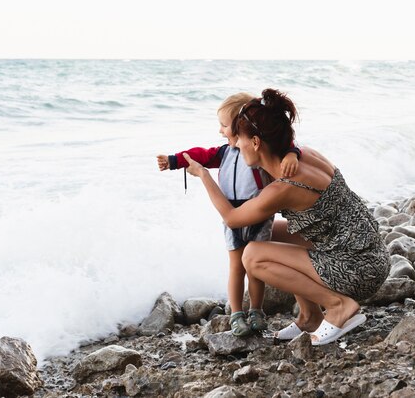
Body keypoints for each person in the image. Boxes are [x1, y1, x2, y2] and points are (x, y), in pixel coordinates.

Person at [182, 88, 390, 345]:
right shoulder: (305, 155)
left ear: (256, 142)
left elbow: (233, 219)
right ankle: (309, 316)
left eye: (240, 139)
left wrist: (204, 175)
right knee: (274, 232)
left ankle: (338, 306)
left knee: (252, 255)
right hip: (371, 254)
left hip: (356, 270)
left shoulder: (283, 187)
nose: (235, 144)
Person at [157, 92, 302, 337]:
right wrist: (174, 161)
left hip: (259, 213)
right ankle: (236, 314)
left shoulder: (255, 150)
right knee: (236, 266)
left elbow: (285, 146)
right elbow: (199, 155)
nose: (220, 131)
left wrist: (292, 154)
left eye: (224, 126)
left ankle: (256, 310)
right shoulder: (223, 153)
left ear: (239, 125)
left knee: (255, 267)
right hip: (231, 214)